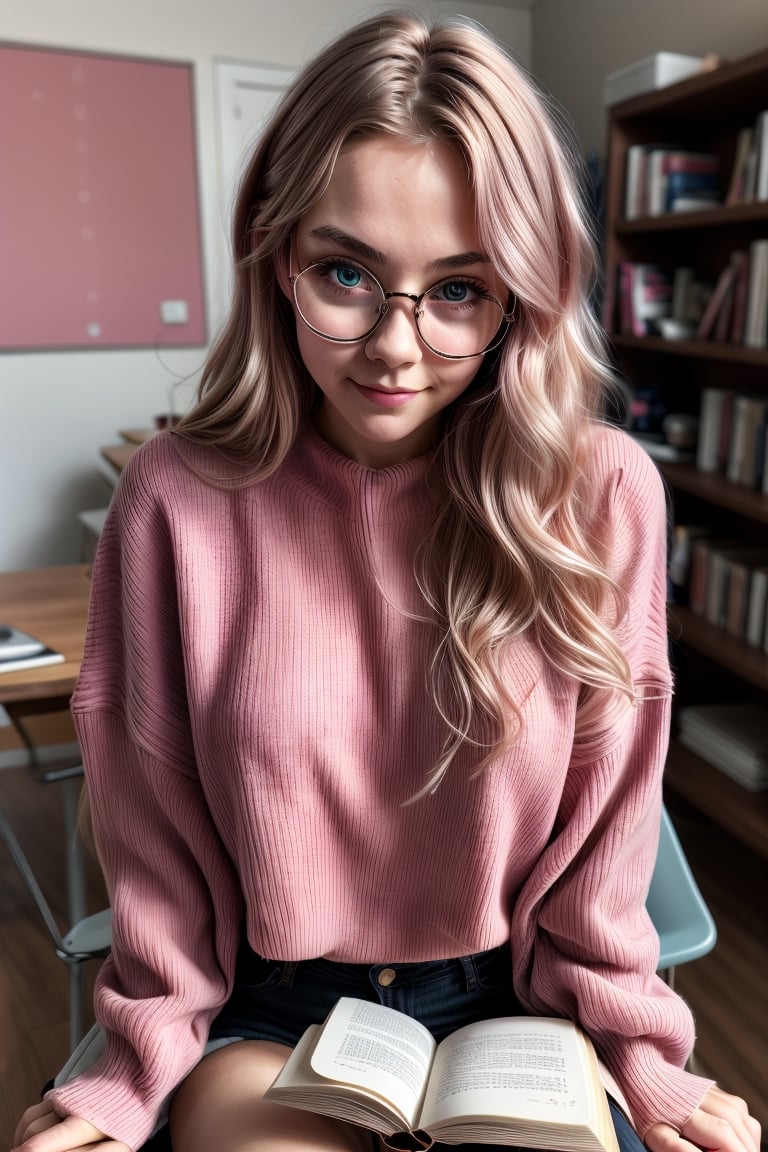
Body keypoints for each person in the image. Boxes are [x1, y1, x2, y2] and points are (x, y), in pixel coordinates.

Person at [13, 10, 761, 1152]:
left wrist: (642, 1060)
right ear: (276, 257)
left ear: (522, 293)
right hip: (265, 1005)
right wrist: (129, 1076)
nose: (397, 349)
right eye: (348, 274)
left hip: (514, 999)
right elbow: (150, 828)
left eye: (460, 289)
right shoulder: (174, 497)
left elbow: (611, 821)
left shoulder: (603, 491)